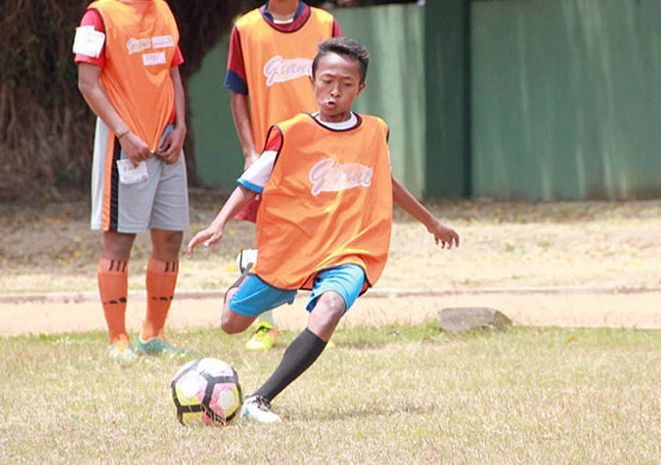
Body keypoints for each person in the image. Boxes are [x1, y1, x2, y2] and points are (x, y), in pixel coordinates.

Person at [188, 37, 460, 422]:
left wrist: (431, 222)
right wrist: (218, 223)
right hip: (295, 245)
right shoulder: (291, 132)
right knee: (231, 323)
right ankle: (251, 270)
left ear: (360, 88)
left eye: (347, 84)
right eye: (327, 80)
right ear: (312, 80)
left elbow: (386, 181)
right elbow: (251, 183)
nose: (335, 91)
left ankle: (259, 400)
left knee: (330, 307)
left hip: (351, 248)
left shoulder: (375, 131)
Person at [74, 0, 190, 364]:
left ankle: (154, 333)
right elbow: (87, 83)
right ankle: (117, 338)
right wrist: (123, 132)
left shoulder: (163, 10)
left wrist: (182, 126)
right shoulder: (98, 16)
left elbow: (173, 72)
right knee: (119, 240)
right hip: (125, 145)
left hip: (168, 140)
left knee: (170, 237)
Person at [225, 0, 342, 352]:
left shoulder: (324, 23)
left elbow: (343, 83)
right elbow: (238, 93)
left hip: (319, 153)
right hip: (271, 153)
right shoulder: (246, 28)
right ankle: (265, 325)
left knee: (322, 238)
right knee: (271, 240)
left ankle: (316, 328)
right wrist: (249, 148)